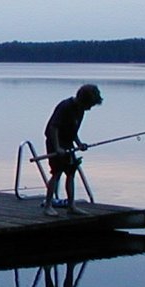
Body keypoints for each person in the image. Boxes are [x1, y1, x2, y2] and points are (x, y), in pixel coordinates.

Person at [42, 83, 103, 215]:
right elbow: (53, 128)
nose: (90, 109)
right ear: (83, 100)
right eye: (90, 105)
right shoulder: (65, 107)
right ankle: (48, 205)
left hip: (68, 143)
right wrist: (57, 147)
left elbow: (72, 130)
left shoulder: (80, 110)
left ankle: (71, 205)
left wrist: (79, 144)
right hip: (55, 142)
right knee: (56, 173)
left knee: (71, 173)